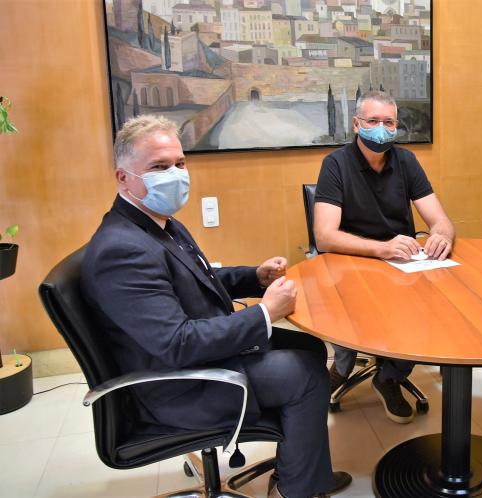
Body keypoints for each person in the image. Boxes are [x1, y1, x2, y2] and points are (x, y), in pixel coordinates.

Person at [81, 115, 351, 498]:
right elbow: (176, 343)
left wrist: (254, 277)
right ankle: (297, 488)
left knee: (308, 346)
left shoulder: (156, 223)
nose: (175, 174)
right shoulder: (122, 250)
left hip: (199, 357)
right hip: (178, 386)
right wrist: (265, 313)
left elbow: (197, 279)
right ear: (123, 178)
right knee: (305, 373)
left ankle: (298, 466)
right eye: (159, 167)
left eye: (179, 163)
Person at [313, 91, 455, 424]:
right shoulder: (336, 164)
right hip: (352, 261)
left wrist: (441, 235)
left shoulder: (406, 161)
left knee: (431, 307)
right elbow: (324, 237)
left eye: (389, 122)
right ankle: (343, 364)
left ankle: (389, 376)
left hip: (402, 262)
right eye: (373, 121)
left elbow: (441, 220)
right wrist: (380, 248)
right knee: (352, 303)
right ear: (356, 124)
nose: (381, 128)